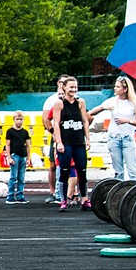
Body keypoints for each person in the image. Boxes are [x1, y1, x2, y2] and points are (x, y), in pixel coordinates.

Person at [88, 76, 136, 181]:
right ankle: (119, 192)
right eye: (115, 86)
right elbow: (93, 111)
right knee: (118, 171)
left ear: (125, 89)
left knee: (132, 170)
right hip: (114, 138)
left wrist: (128, 121)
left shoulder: (135, 103)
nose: (115, 88)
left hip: (127, 138)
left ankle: (135, 191)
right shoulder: (112, 101)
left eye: (118, 87)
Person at [53, 77, 92, 212]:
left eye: (75, 87)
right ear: (64, 88)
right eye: (71, 87)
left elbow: (85, 121)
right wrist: (59, 142)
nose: (73, 90)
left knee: (82, 170)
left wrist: (87, 138)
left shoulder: (80, 102)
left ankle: (84, 199)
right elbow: (56, 124)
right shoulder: (59, 104)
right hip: (66, 142)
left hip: (78, 141)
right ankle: (63, 200)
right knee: (64, 171)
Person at [41, 75, 70, 203]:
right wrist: (53, 132)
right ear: (59, 83)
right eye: (62, 82)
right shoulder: (51, 100)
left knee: (73, 165)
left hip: (71, 135)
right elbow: (45, 119)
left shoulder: (75, 100)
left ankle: (71, 192)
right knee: (53, 165)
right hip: (57, 135)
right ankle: (53, 192)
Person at [3, 110, 30, 203]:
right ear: (14, 119)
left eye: (21, 119)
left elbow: (28, 145)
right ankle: (10, 196)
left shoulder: (25, 132)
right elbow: (8, 145)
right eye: (17, 119)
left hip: (23, 156)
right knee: (13, 177)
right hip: (15, 156)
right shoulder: (10, 131)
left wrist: (28, 158)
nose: (19, 121)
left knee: (21, 177)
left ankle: (20, 195)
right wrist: (9, 157)